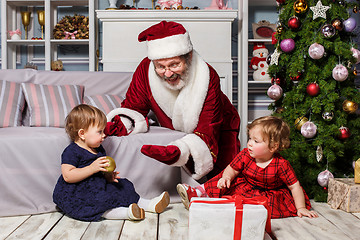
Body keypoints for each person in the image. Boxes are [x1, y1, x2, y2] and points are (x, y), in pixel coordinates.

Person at [105, 20, 240, 181]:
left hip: (220, 128)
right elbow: (134, 106)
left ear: (188, 57)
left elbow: (207, 127)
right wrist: (111, 128)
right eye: (160, 67)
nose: (168, 73)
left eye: (174, 65)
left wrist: (180, 151)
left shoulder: (207, 77)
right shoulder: (145, 70)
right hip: (179, 128)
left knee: (223, 183)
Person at [176, 116, 318, 219]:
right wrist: (226, 177)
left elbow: (295, 187)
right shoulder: (246, 155)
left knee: (255, 207)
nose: (249, 143)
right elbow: (232, 168)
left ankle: (215, 202)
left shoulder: (281, 165)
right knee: (222, 178)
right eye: (250, 138)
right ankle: (199, 192)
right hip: (246, 186)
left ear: (273, 147)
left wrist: (301, 208)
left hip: (267, 193)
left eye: (256, 141)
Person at [53, 104, 170, 222]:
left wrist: (108, 176)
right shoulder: (72, 151)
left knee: (123, 186)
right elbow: (68, 176)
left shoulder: (98, 149)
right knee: (100, 201)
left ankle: (148, 204)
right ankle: (127, 213)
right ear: (82, 134)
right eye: (99, 132)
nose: (104, 135)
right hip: (79, 192)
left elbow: (100, 172)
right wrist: (91, 168)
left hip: (98, 185)